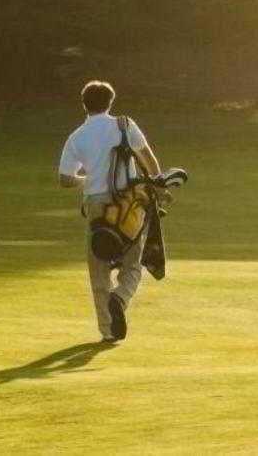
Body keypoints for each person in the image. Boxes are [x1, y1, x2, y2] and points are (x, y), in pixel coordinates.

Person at [58, 80, 162, 343]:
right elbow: (149, 161)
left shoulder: (77, 137)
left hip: (96, 204)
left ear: (84, 104)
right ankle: (121, 296)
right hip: (129, 202)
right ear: (110, 102)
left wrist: (88, 178)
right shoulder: (124, 125)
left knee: (99, 267)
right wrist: (156, 187)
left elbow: (65, 179)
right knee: (133, 262)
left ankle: (108, 331)